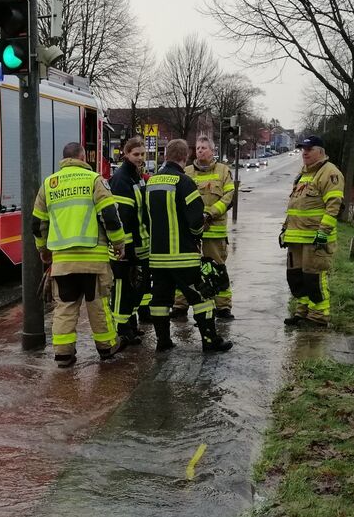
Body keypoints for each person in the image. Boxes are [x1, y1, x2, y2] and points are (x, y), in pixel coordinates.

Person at [31, 142, 129, 368]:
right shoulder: (94, 180)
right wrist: (119, 243)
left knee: (65, 308)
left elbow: (37, 224)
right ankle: (106, 348)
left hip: (63, 262)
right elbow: (110, 216)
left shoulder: (49, 184)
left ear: (64, 158)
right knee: (98, 307)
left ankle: (64, 355)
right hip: (93, 261)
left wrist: (43, 250)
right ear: (83, 156)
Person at [146, 138, 233, 353]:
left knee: (160, 300)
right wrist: (196, 236)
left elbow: (144, 217)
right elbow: (195, 221)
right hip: (184, 255)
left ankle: (163, 341)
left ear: (166, 155)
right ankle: (210, 341)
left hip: (157, 257)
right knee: (201, 298)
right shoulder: (184, 182)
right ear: (184, 157)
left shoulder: (150, 182)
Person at [171, 136, 237, 320]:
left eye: (204, 148)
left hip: (213, 233)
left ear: (212, 151)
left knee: (217, 269)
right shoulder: (186, 171)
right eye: (198, 147)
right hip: (190, 234)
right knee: (185, 269)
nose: (200, 150)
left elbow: (229, 196)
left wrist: (210, 214)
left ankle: (223, 307)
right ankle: (179, 305)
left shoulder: (223, 171)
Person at [281, 135, 344, 326]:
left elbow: (333, 206)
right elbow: (294, 205)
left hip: (316, 239)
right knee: (297, 279)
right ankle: (302, 312)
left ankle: (318, 317)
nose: (305, 153)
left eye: (309, 149)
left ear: (321, 152)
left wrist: (323, 233)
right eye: (303, 149)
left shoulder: (330, 173)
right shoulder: (302, 175)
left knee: (314, 278)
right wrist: (284, 229)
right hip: (296, 238)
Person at [108, 136, 150, 346]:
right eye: (136, 154)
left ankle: (130, 325)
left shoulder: (137, 177)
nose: (140, 158)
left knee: (134, 289)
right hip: (125, 248)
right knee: (122, 289)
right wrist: (127, 248)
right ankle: (121, 329)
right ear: (126, 154)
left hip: (139, 245)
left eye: (142, 154)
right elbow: (123, 217)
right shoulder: (122, 179)